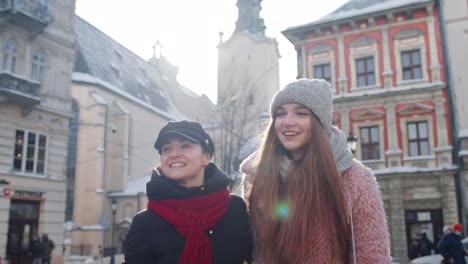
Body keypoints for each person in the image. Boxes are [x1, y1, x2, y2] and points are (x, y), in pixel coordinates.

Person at [240, 78, 391, 263]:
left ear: (319, 123)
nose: (288, 122)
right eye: (280, 114)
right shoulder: (257, 178)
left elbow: (372, 257)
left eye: (301, 114)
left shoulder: (354, 180)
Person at [124, 121, 253, 264]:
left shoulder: (234, 208)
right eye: (166, 149)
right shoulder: (145, 223)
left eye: (185, 146)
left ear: (206, 157)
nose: (173, 154)